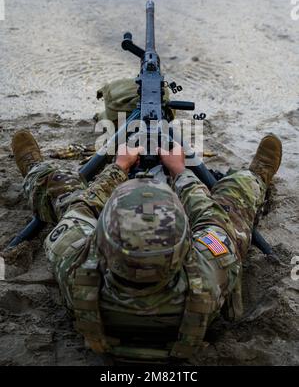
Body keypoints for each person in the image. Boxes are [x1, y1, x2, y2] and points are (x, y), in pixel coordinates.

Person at [10, 127, 282, 362]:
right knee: (234, 200)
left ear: (100, 242)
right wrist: (181, 173)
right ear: (185, 248)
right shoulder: (213, 271)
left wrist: (118, 168)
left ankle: (36, 170)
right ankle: (257, 176)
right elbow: (214, 220)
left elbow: (81, 209)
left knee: (65, 192)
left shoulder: (72, 263)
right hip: (185, 324)